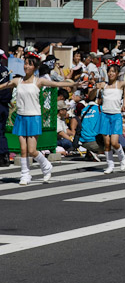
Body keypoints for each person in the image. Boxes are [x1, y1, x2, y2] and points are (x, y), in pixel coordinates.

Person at [0, 52, 75, 185]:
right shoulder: (18, 81)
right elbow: (4, 86)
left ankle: (46, 165)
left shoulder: (38, 81)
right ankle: (25, 175)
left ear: (35, 67)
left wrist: (74, 84)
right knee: (22, 149)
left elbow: (56, 84)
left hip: (34, 117)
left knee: (32, 150)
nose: (26, 66)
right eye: (25, 63)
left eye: (29, 64)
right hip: (21, 117)